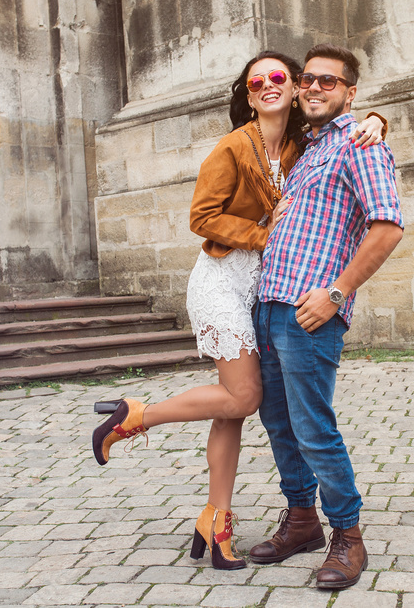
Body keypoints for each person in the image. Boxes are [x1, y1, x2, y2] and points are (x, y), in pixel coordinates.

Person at [90, 50, 387, 570]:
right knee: (249, 400)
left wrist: (380, 120)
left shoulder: (310, 142)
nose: (271, 85)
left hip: (278, 292)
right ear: (248, 94)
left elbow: (360, 151)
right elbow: (202, 215)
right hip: (230, 281)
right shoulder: (234, 146)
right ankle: (138, 417)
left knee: (255, 409)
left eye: (281, 77)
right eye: (258, 81)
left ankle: (227, 518)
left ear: (295, 87)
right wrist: (263, 236)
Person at [250, 44, 404, 590]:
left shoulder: (359, 145)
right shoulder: (307, 148)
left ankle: (349, 537)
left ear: (350, 92)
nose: (315, 88)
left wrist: (337, 294)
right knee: (279, 424)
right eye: (307, 79)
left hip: (310, 312)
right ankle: (301, 522)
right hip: (267, 306)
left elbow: (387, 226)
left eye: (328, 81)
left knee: (314, 428)